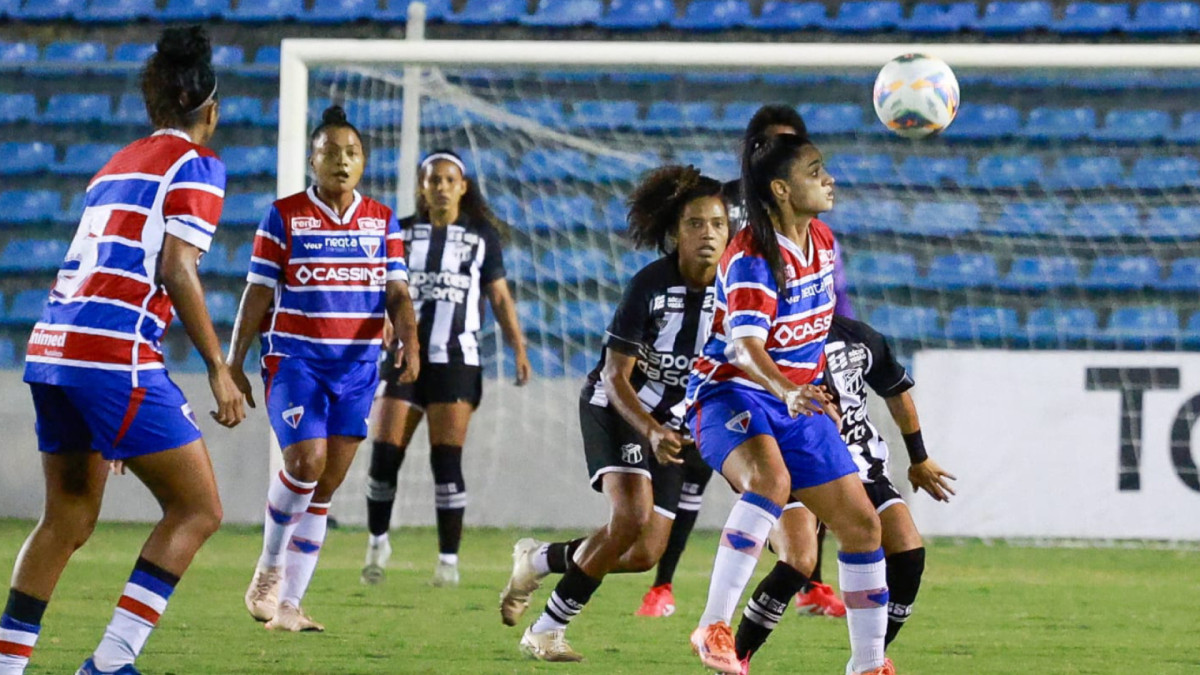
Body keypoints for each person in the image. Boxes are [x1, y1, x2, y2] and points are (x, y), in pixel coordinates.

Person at [0, 26, 245, 675]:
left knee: (67, 519)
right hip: (112, 354)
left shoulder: (117, 163)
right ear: (209, 110)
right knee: (199, 508)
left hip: (52, 348)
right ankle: (111, 661)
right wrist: (220, 369)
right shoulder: (198, 164)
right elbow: (177, 268)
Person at [496, 165, 729, 662]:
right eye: (695, 223)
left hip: (674, 429)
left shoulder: (735, 291)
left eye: (717, 223)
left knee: (645, 554)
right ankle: (545, 630)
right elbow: (612, 375)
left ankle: (537, 558)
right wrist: (650, 429)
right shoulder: (649, 286)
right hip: (619, 409)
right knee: (629, 519)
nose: (708, 233)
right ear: (675, 232)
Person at [686, 133, 893, 675]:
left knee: (863, 527)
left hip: (795, 399)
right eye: (816, 170)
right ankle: (712, 627)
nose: (829, 180)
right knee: (770, 483)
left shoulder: (822, 240)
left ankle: (869, 664)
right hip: (731, 390)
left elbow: (813, 327)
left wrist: (812, 384)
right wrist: (789, 388)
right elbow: (746, 347)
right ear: (781, 189)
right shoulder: (752, 255)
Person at [644, 104, 854, 619]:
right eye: (768, 143)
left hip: (787, 383)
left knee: (813, 543)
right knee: (745, 482)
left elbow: (822, 314)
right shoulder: (745, 229)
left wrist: (819, 375)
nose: (825, 177)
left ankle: (796, 623)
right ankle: (679, 596)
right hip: (732, 378)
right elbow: (743, 335)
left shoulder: (822, 239)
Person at [233, 105, 419, 632]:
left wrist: (411, 340)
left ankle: (290, 604)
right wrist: (233, 360)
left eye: (353, 152)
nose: (342, 161)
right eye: (331, 152)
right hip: (296, 361)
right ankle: (268, 569)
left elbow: (398, 293)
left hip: (358, 368)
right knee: (306, 462)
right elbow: (258, 290)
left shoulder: (381, 220)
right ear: (312, 159)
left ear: (364, 162)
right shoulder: (284, 215)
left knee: (327, 485)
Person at [734, 314, 957, 670]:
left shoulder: (858, 336)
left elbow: (895, 391)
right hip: (796, 462)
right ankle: (735, 660)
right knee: (799, 561)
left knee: (909, 554)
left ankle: (868, 660)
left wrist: (919, 458)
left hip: (860, 462)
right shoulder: (771, 340)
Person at [361, 149, 531, 587]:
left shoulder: (481, 237)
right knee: (382, 457)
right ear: (421, 186)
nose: (440, 186)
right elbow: (382, 291)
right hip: (401, 359)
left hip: (456, 361)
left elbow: (498, 297)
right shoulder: (398, 233)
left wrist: (518, 348)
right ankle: (377, 541)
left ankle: (448, 562)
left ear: (462, 187)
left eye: (448, 179)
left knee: (446, 461)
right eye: (432, 179)